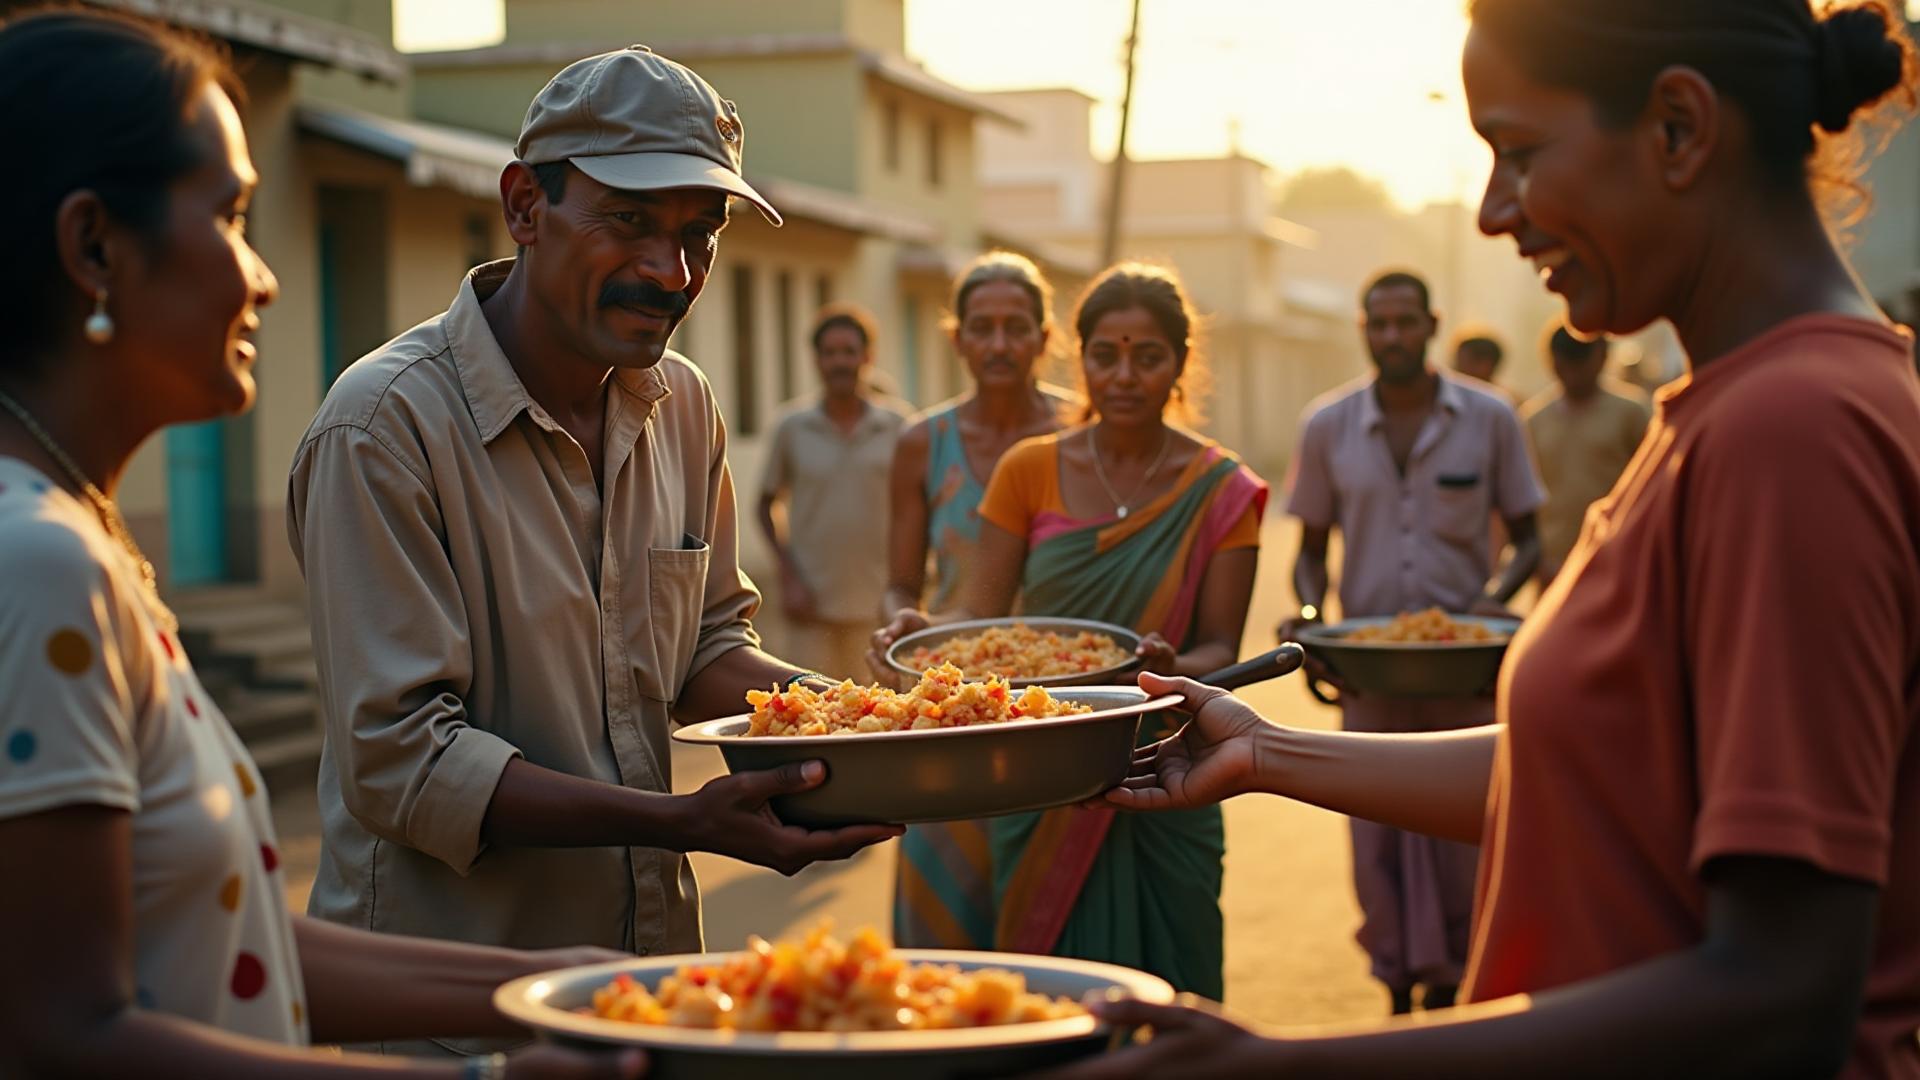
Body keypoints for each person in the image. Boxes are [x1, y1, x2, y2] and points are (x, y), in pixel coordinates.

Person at [1040, 1, 1920, 1076]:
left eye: (1520, 153)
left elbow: (1782, 994)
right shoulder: (1747, 408)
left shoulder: (1792, 430)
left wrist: (1283, 1066)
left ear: (1679, 129)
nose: (1497, 212)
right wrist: (1265, 752)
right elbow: (1596, 771)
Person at [0, 10, 644, 1078]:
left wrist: (559, 992)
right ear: (95, 246)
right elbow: (63, 1033)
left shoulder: (74, 541)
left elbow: (225, 947)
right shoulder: (38, 565)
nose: (263, 277)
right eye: (231, 218)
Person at [285, 46, 901, 1057]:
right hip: (451, 1024)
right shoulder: (385, 426)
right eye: (630, 222)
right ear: (525, 206)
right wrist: (679, 821)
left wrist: (892, 731)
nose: (672, 273)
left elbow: (704, 650)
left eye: (700, 234)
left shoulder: (682, 404)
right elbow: (402, 763)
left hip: (647, 989)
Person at [874, 263, 1267, 997]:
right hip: (1050, 762)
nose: (1124, 377)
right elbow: (979, 617)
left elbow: (1221, 647)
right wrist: (923, 629)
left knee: (1174, 980)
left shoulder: (1223, 490)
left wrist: (1173, 664)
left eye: (1148, 358)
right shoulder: (1030, 469)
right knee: (1045, 990)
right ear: (1080, 357)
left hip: (1166, 763)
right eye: (1105, 356)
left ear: (1181, 363)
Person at [1278, 269, 1543, 1015]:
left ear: (1432, 324)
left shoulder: (1490, 418)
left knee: (1468, 842)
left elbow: (1528, 538)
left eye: (1405, 322)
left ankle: (1457, 994)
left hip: (1465, 671)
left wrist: (1491, 606)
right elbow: (1310, 551)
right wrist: (1309, 612)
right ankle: (1396, 990)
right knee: (1376, 843)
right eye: (1379, 324)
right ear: (1364, 330)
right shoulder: (1327, 425)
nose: (1392, 336)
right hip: (1370, 671)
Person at [879, 251, 1076, 950]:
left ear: (1043, 338)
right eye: (982, 328)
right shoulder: (923, 444)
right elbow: (902, 580)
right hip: (956, 712)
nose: (999, 344)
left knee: (1053, 909)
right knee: (948, 910)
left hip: (1066, 709)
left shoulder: (1083, 431)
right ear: (957, 338)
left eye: (1016, 328)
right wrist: (903, 623)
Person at [756, 304, 911, 680]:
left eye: (849, 352)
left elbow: (918, 508)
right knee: (811, 705)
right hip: (811, 608)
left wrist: (908, 585)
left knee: (878, 708)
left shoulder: (899, 426)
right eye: (830, 353)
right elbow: (764, 505)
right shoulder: (791, 427)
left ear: (868, 357)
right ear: (816, 360)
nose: (840, 362)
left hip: (879, 609)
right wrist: (788, 578)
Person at [1520, 323, 1651, 587]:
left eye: (1580, 364)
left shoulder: (1631, 413)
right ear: (1553, 362)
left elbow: (1651, 486)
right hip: (1553, 563)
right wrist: (1535, 557)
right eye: (1566, 364)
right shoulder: (1534, 419)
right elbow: (1522, 495)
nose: (1573, 374)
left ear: (1602, 357)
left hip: (1616, 558)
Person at [1450, 329, 1522, 407]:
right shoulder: (1451, 396)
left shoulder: (1508, 403)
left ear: (1485, 365)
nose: (1455, 368)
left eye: (1463, 362)